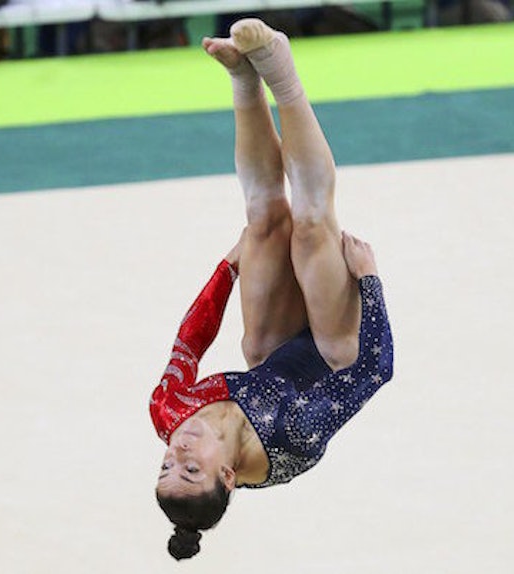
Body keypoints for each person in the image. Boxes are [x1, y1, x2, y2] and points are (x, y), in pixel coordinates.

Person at [148, 18, 395, 561]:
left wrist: (228, 268)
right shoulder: (294, 433)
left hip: (273, 347)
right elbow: (375, 370)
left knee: (263, 221)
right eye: (191, 468)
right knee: (309, 228)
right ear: (230, 476)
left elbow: (190, 342)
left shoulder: (169, 411)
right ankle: (280, 72)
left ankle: (241, 78)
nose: (178, 449)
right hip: (337, 352)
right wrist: (369, 279)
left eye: (166, 464)